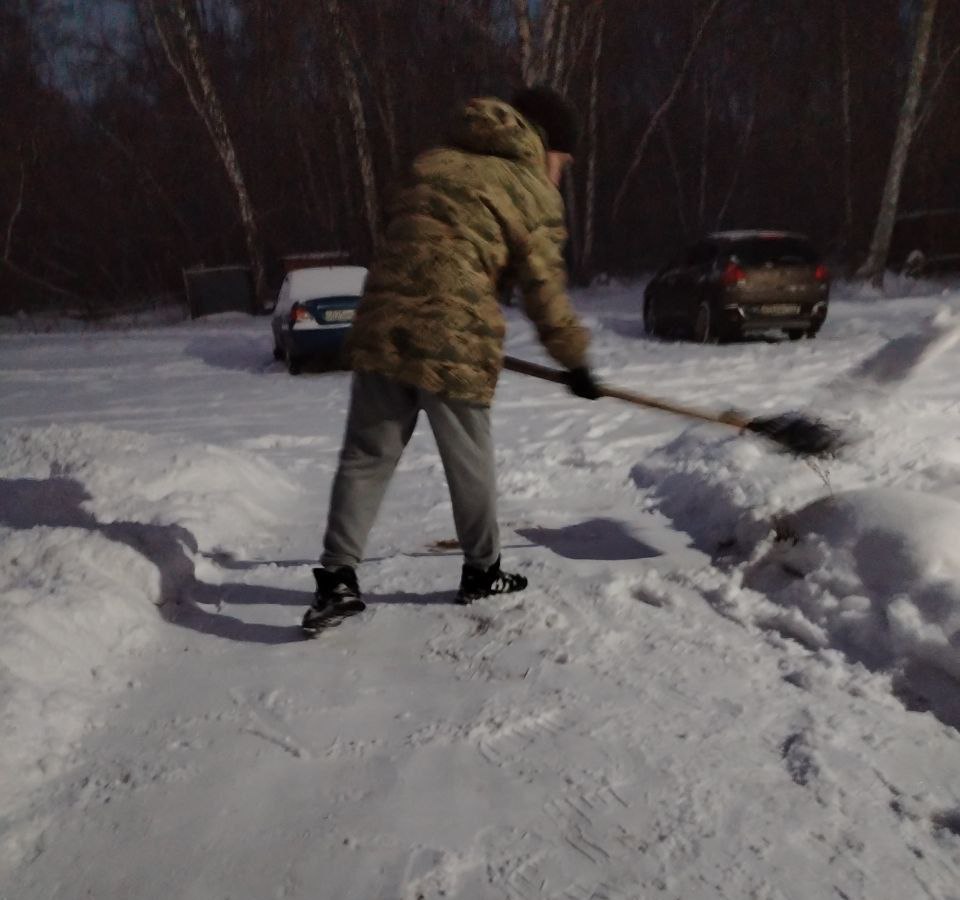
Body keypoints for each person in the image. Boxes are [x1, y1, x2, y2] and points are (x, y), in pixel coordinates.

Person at [302, 85, 602, 634]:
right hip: (456, 334)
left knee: (368, 453)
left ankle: (338, 578)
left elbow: (408, 240)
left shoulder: (430, 162)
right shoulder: (530, 188)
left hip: (383, 323)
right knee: (469, 459)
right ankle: (483, 571)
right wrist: (576, 362)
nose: (562, 173)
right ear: (544, 143)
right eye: (564, 161)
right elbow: (544, 290)